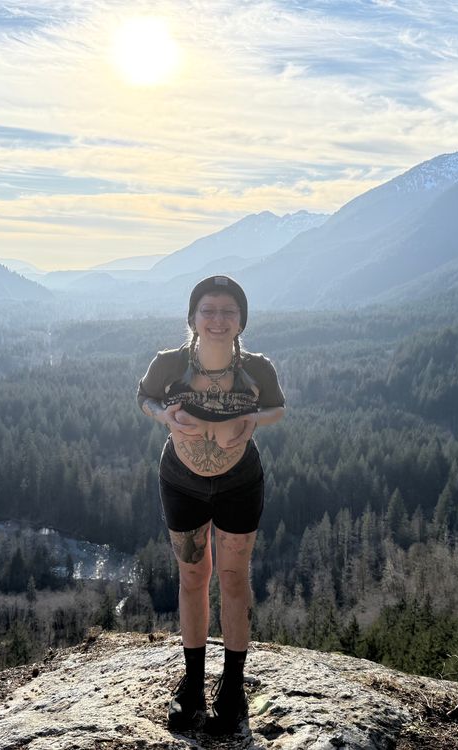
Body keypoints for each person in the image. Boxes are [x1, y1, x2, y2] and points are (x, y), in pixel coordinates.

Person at [136, 275, 286, 735]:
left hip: (240, 482)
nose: (218, 319)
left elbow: (278, 407)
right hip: (181, 482)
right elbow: (143, 397)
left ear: (241, 321)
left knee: (234, 578)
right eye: (209, 310)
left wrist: (252, 420)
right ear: (193, 318)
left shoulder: (258, 368)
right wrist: (162, 415)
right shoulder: (169, 363)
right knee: (192, 577)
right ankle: (194, 684)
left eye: (228, 311)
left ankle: (234, 689)